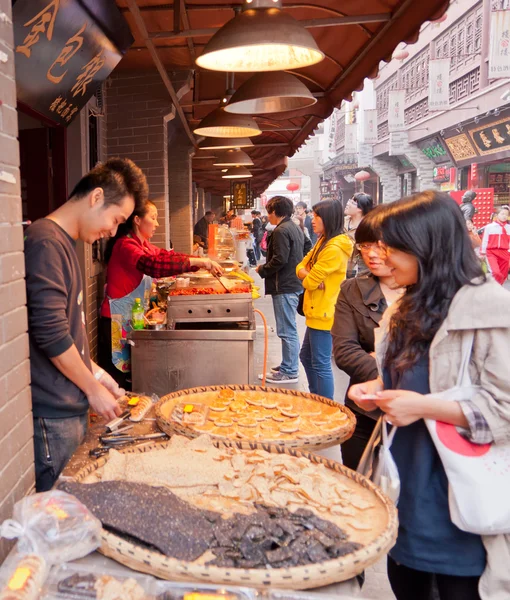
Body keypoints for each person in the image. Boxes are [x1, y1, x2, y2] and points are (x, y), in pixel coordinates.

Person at [348, 191, 510, 600]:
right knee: (408, 584)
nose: (382, 259)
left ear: (426, 246)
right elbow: (409, 377)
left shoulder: (489, 310)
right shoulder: (407, 305)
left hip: (459, 499)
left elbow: (504, 408)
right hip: (406, 487)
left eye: (391, 249)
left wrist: (421, 407)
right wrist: (381, 388)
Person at [24, 158, 148, 492]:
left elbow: (69, 335)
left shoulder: (64, 242)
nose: (112, 230)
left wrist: (97, 374)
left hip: (69, 405)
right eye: (115, 219)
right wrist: (92, 390)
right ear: (95, 198)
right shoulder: (45, 242)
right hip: (53, 412)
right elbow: (50, 335)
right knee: (62, 508)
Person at [98, 199, 222, 388]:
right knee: (118, 383)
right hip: (115, 323)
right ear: (137, 220)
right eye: (153, 218)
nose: (157, 223)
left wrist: (202, 261)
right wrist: (200, 263)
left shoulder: (144, 245)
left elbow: (168, 257)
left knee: (133, 380)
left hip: (131, 320)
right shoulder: (126, 246)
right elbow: (153, 265)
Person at [332, 209, 404, 469]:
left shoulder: (429, 292)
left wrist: (382, 362)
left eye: (380, 245)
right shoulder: (353, 290)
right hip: (364, 411)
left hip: (416, 417)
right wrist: (393, 372)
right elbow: (345, 351)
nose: (371, 253)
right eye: (364, 245)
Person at [296, 200, 352, 399]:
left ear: (328, 218)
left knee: (320, 363)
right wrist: (307, 274)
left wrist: (308, 275)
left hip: (325, 312)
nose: (312, 219)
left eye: (317, 216)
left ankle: (325, 405)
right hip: (316, 310)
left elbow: (310, 281)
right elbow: (300, 267)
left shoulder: (334, 248)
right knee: (306, 357)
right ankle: (316, 398)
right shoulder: (323, 241)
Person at [257, 196, 304, 384]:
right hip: (293, 283)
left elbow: (279, 259)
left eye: (269, 212)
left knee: (287, 330)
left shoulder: (280, 231)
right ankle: (287, 364)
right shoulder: (294, 227)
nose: (268, 216)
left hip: (284, 285)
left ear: (276, 212)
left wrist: (262, 269)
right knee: (288, 328)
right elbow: (307, 247)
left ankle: (290, 370)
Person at [344, 192, 374, 278]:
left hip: (358, 269)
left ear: (360, 208)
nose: (348, 203)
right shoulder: (342, 222)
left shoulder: (368, 226)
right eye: (349, 200)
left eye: (353, 202)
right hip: (340, 266)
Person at [480, 205, 510, 285]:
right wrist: (482, 252)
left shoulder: (508, 228)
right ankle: (493, 288)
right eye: (502, 214)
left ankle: (497, 288)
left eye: (506, 215)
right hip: (492, 252)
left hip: (505, 253)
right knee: (496, 273)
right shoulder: (489, 227)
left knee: (503, 275)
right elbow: (485, 240)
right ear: (497, 215)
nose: (504, 216)